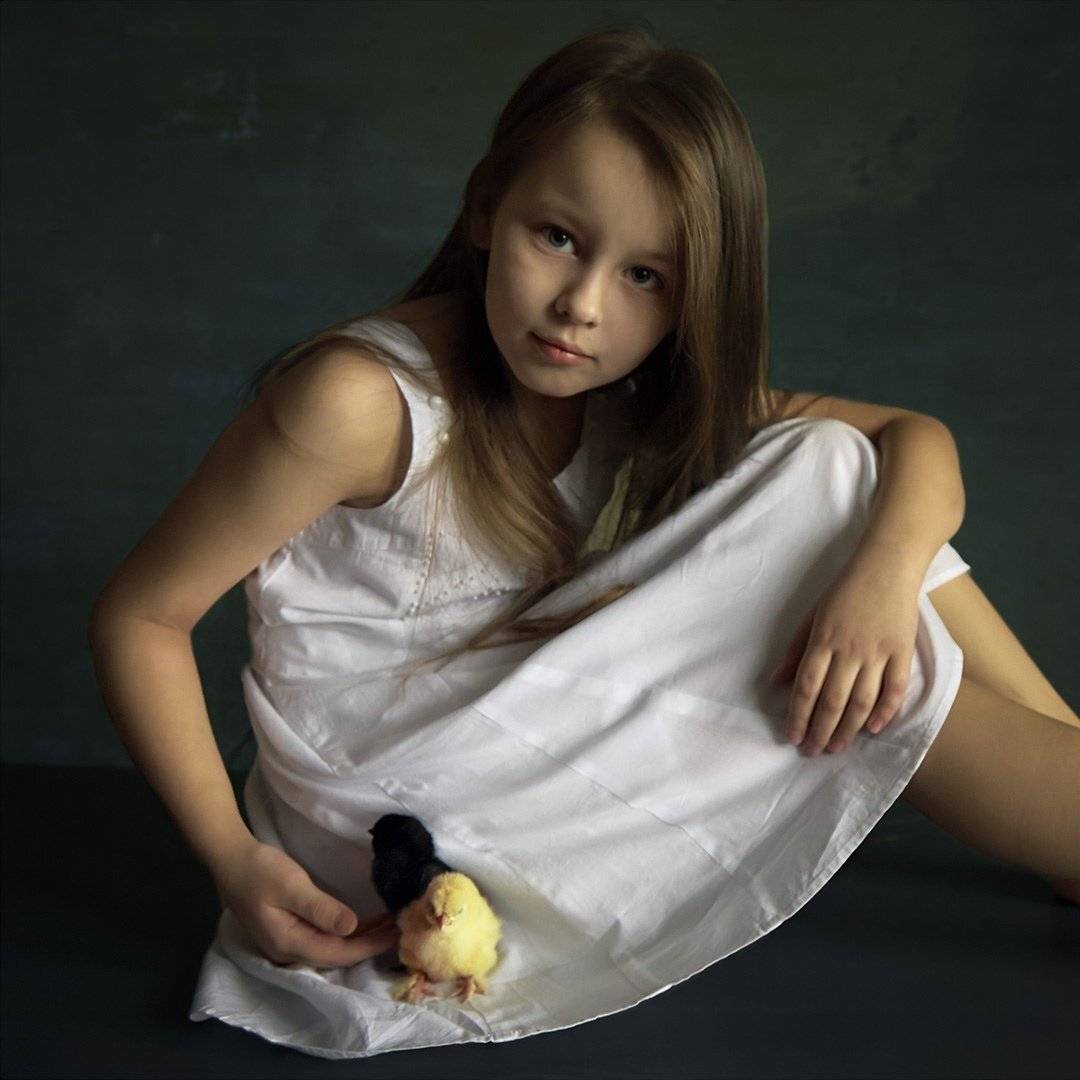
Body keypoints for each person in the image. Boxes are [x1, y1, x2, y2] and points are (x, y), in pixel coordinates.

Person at [87, 25, 1079, 1060]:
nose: (582, 306)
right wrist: (231, 858)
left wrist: (878, 581)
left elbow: (916, 440)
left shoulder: (626, 390)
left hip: (505, 739)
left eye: (645, 275)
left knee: (834, 468)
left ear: (693, 297)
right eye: (557, 237)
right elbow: (139, 617)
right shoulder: (359, 401)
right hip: (396, 829)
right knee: (830, 522)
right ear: (486, 207)